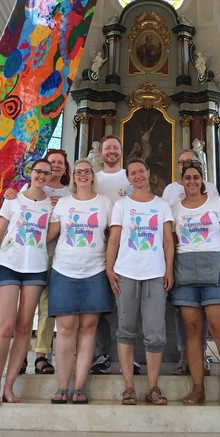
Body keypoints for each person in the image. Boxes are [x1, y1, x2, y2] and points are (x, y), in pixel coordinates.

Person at [170, 160, 220, 408]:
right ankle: (198, 387)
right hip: (185, 273)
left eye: (196, 178)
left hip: (214, 269)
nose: (192, 182)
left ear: (203, 181)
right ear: (181, 181)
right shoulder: (174, 208)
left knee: (219, 329)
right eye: (187, 178)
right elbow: (171, 242)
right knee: (192, 331)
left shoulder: (215, 202)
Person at [106, 158, 174, 406]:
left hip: (155, 273)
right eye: (132, 173)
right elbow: (114, 239)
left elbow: (168, 240)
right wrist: (109, 268)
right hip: (126, 273)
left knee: (155, 332)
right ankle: (129, 387)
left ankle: (153, 387)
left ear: (149, 173)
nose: (137, 176)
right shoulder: (121, 205)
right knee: (125, 330)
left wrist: (168, 269)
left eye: (141, 171)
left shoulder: (162, 205)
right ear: (128, 178)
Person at [0, 158, 52, 405]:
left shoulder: (52, 205)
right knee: (6, 327)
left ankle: (9, 386)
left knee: (25, 328)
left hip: (35, 268)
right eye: (38, 171)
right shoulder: (13, 199)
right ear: (31, 173)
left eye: (47, 172)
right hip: (8, 265)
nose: (42, 176)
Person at [47, 158, 113, 404]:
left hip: (95, 271)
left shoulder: (105, 203)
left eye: (87, 171)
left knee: (88, 329)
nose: (83, 175)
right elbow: (49, 236)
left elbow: (112, 237)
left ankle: (80, 387)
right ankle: (62, 385)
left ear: (93, 176)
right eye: (78, 172)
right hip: (64, 270)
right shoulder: (63, 204)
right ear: (73, 177)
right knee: (65, 329)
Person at [3, 149, 71, 374]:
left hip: (57, 254)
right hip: (27, 255)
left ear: (64, 167)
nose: (56, 166)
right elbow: (19, 207)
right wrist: (11, 192)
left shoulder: (70, 192)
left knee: (47, 306)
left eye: (60, 163)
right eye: (52, 162)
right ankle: (19, 356)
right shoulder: (28, 188)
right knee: (22, 312)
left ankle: (41, 354)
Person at [163, 148, 218, 376]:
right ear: (178, 166)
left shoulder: (211, 188)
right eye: (182, 162)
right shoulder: (170, 190)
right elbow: (166, 223)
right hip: (178, 255)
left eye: (191, 161)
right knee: (181, 310)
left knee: (202, 311)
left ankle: (201, 355)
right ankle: (183, 354)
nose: (186, 164)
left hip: (207, 255)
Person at [90, 134, 133, 375]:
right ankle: (102, 353)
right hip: (97, 245)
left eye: (116, 147)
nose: (112, 151)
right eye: (108, 148)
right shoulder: (94, 179)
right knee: (100, 303)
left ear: (121, 151)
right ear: (101, 153)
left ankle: (130, 356)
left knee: (127, 303)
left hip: (128, 246)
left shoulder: (130, 177)